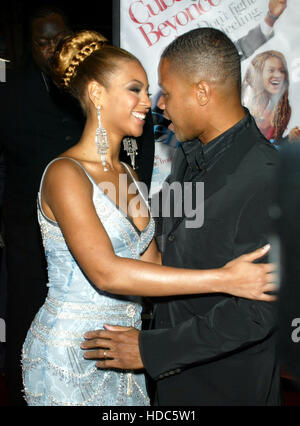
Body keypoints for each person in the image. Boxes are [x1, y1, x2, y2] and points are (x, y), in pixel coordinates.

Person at [21, 29, 276, 406]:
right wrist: (222, 279)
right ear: (96, 94)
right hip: (79, 353)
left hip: (201, 376)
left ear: (202, 93)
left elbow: (156, 260)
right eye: (136, 90)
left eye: (161, 92)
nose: (155, 104)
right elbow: (113, 267)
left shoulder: (266, 173)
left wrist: (152, 349)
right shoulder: (70, 173)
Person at [242, 50, 300, 148]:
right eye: (271, 70)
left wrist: (289, 139)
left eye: (282, 71)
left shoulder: (284, 110)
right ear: (259, 74)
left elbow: (271, 146)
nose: (278, 75)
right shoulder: (245, 101)